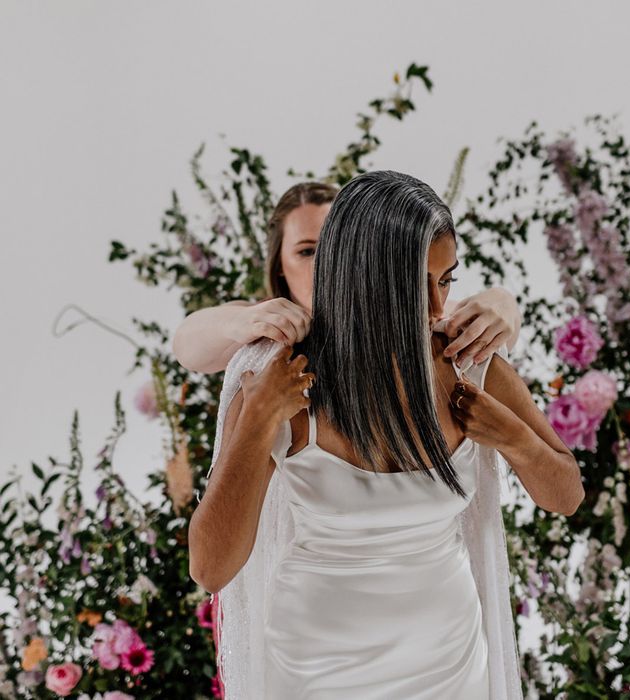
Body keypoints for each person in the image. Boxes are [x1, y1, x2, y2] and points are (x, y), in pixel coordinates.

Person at [188, 171, 584, 699]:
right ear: (362, 277)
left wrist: (512, 437)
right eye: (416, 285)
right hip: (316, 675)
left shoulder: (469, 366)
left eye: (446, 281)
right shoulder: (283, 378)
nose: (438, 309)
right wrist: (258, 419)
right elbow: (211, 568)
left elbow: (566, 495)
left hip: (451, 667)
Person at [172, 181, 523, 376]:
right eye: (307, 252)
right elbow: (188, 347)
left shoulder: (416, 312)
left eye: (333, 248)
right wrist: (239, 320)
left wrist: (502, 301)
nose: (325, 264)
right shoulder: (262, 327)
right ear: (279, 263)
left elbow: (489, 325)